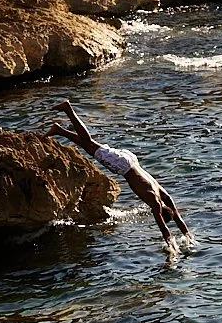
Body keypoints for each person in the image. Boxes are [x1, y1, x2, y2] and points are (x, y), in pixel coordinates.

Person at [47, 100, 191, 251]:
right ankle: (68, 109)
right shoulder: (154, 202)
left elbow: (177, 216)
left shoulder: (161, 193)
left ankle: (59, 130)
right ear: (160, 211)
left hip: (131, 160)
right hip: (123, 166)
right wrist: (172, 248)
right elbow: (163, 228)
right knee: (89, 142)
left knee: (90, 148)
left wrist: (188, 235)